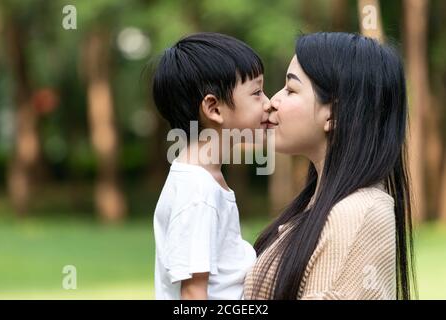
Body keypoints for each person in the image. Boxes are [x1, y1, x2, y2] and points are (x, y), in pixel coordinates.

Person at [244, 32, 417, 300]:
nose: (272, 102)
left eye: (291, 89)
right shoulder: (322, 207)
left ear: (334, 114)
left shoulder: (358, 214)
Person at [152, 32, 271, 299]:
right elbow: (193, 294)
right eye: (257, 92)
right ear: (214, 108)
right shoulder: (198, 191)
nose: (268, 103)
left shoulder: (206, 180)